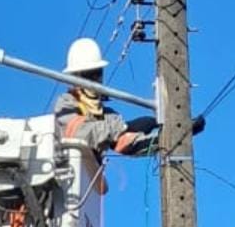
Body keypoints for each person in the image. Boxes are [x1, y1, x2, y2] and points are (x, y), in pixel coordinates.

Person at [55, 37, 203, 155]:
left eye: (97, 73)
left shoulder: (107, 116)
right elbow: (81, 132)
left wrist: (176, 135)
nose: (94, 80)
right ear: (75, 77)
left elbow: (126, 144)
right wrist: (123, 127)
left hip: (86, 182)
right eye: (88, 75)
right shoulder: (66, 104)